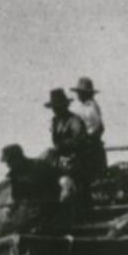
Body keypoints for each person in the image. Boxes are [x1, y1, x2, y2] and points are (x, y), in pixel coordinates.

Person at [45, 87, 91, 219]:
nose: (55, 109)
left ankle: (69, 212)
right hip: (60, 158)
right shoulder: (55, 121)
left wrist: (63, 146)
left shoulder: (74, 120)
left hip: (75, 159)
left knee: (66, 182)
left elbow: (80, 140)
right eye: (54, 107)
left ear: (64, 105)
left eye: (58, 106)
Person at [0, 143, 66, 232]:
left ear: (18, 158)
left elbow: (57, 187)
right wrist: (11, 209)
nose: (8, 165)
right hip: (31, 210)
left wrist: (42, 203)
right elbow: (17, 196)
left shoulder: (40, 167)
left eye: (9, 161)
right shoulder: (14, 175)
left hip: (52, 208)